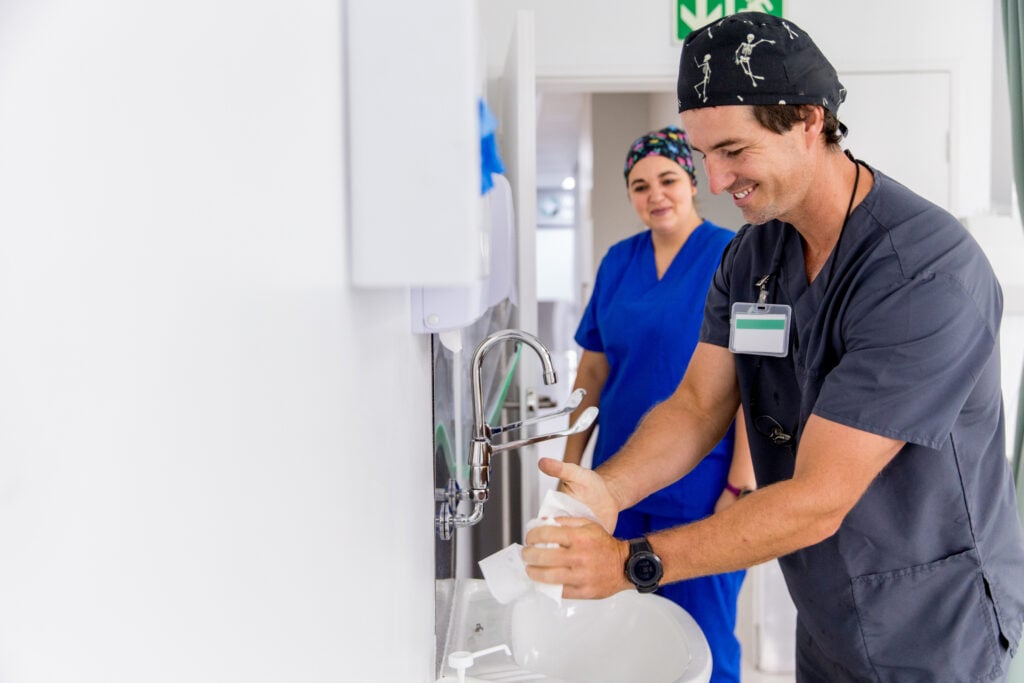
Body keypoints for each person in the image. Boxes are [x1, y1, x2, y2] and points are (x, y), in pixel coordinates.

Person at [523, 12, 1024, 681]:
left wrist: (628, 561)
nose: (718, 179)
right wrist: (607, 490)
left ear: (810, 120)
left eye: (734, 150)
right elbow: (698, 402)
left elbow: (818, 495)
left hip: (935, 624)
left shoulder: (923, 273)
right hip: (826, 615)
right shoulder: (754, 254)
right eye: (704, 156)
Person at [561, 125, 754, 683]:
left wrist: (740, 486)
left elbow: (750, 377)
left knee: (705, 639)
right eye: (640, 186)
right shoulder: (619, 262)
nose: (656, 195)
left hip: (703, 485)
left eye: (668, 179)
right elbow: (592, 369)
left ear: (692, 183)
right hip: (620, 477)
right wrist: (574, 469)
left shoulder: (730, 254)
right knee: (626, 639)